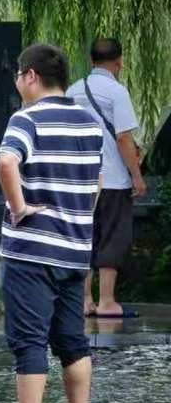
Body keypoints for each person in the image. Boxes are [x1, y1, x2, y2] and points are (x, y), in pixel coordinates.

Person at [0, 44, 103, 403]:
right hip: (75, 249)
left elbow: (6, 161)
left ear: (31, 77)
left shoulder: (26, 119)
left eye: (19, 75)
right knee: (72, 338)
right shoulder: (90, 123)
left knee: (29, 337)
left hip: (33, 250)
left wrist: (19, 207)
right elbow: (96, 185)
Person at [66, 38, 146, 317]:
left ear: (91, 61)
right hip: (112, 180)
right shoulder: (116, 92)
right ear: (119, 62)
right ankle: (107, 301)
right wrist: (136, 176)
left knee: (85, 237)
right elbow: (124, 137)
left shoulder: (73, 91)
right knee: (112, 236)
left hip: (79, 180)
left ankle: (84, 300)